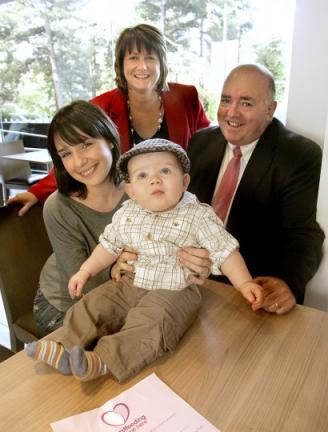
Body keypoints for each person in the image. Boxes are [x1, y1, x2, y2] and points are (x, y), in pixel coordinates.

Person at [26, 139, 263, 383]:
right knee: (93, 304)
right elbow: (108, 246)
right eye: (142, 175)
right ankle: (64, 345)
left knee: (152, 322)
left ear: (184, 181)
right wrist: (86, 270)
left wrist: (244, 284)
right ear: (130, 191)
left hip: (175, 290)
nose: (154, 179)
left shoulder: (198, 215)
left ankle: (102, 361)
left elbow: (225, 251)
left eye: (165, 171)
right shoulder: (128, 212)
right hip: (131, 281)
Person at [7, 23, 210, 216]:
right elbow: (77, 156)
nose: (142, 66)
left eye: (150, 58)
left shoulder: (186, 96)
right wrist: (37, 192)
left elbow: (208, 146)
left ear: (162, 63)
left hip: (180, 205)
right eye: (133, 58)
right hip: (124, 209)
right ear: (121, 64)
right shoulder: (101, 106)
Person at [186, 63, 325, 314]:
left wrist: (288, 283)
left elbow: (303, 234)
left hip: (248, 292)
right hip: (191, 280)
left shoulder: (299, 155)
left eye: (246, 103)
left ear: (270, 109)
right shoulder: (200, 142)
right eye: (226, 100)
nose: (232, 112)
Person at [33, 100, 126, 335]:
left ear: (110, 141)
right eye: (66, 153)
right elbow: (83, 285)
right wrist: (119, 267)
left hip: (126, 292)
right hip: (65, 303)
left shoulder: (141, 186)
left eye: (85, 144)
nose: (78, 162)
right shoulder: (58, 207)